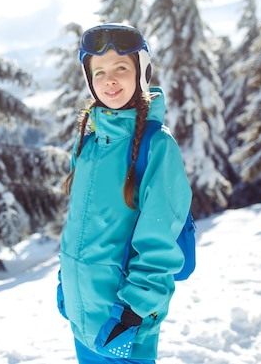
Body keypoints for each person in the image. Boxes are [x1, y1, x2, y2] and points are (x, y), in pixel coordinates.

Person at [57, 23, 192, 363]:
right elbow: (78, 222)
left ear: (142, 72)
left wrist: (133, 312)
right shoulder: (88, 143)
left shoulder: (156, 147)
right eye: (98, 72)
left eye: (121, 68)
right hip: (84, 317)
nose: (109, 80)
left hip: (123, 324)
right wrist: (65, 282)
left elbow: (159, 239)